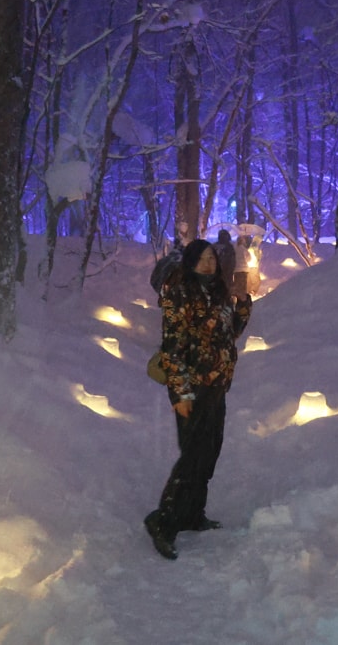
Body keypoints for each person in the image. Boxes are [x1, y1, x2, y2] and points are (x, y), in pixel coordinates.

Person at [144, 239, 252, 560]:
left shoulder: (218, 293)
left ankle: (193, 513)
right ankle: (162, 522)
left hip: (216, 385)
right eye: (202, 259)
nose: (208, 264)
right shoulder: (179, 294)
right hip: (191, 386)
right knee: (192, 456)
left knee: (209, 452)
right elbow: (172, 347)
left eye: (212, 259)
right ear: (190, 262)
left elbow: (227, 334)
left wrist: (243, 307)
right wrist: (180, 393)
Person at [213, 229, 236, 293]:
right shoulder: (229, 247)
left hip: (220, 271)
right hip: (223, 272)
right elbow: (232, 261)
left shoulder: (214, 246)